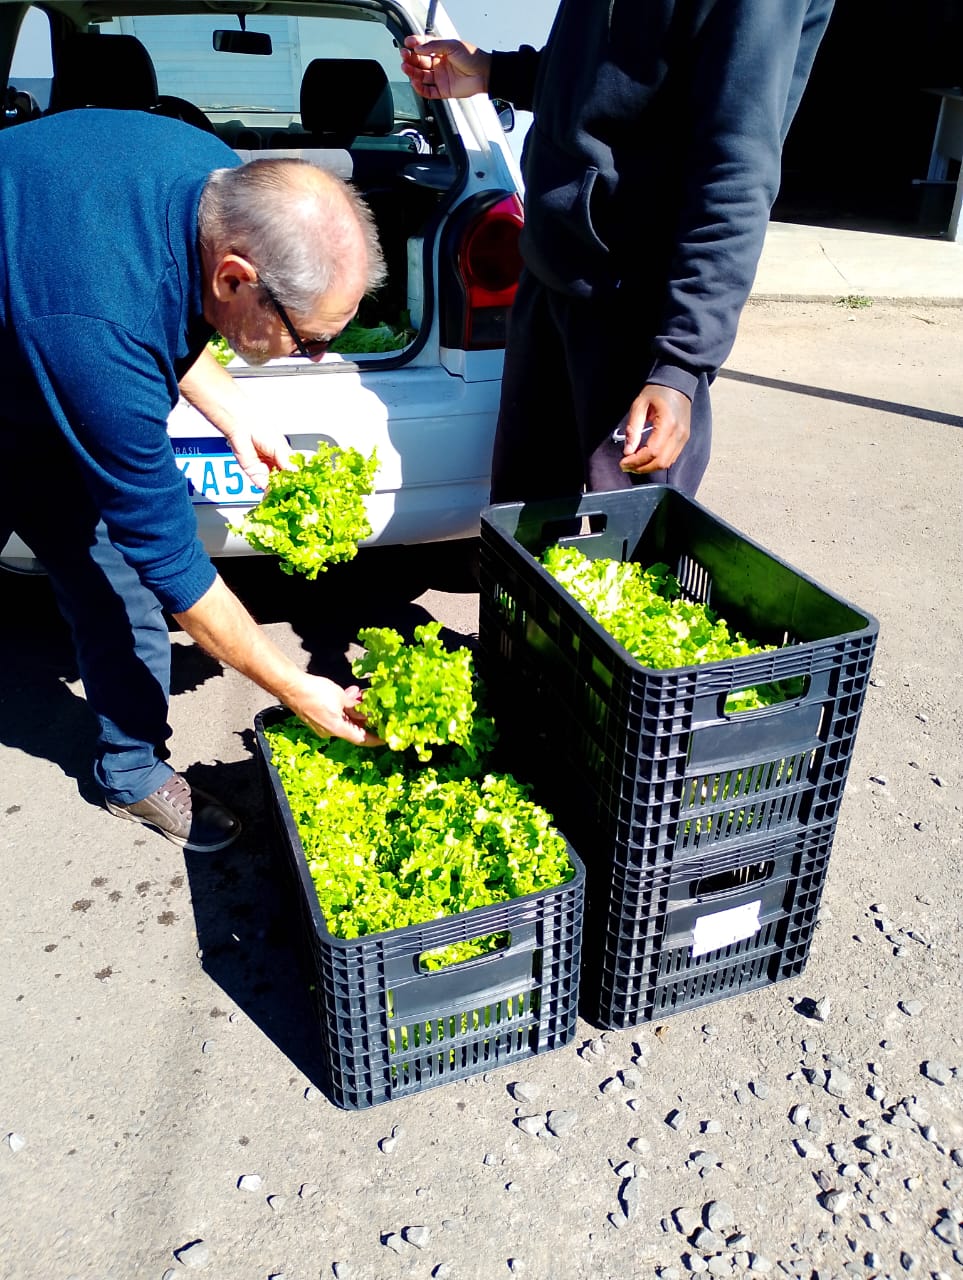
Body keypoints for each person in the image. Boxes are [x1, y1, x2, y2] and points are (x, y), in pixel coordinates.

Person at [0, 107, 386, 853]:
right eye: (308, 342)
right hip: (37, 347)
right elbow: (173, 561)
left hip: (45, 334)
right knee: (143, 561)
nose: (312, 358)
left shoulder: (216, 179)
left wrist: (235, 413)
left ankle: (132, 771)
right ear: (237, 275)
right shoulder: (98, 329)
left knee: (112, 582)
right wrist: (295, 687)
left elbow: (164, 307)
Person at [401, 0, 835, 503]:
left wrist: (680, 365)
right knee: (522, 524)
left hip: (635, 308)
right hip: (550, 275)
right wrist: (495, 72)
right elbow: (614, 73)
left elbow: (736, 170)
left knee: (632, 539)